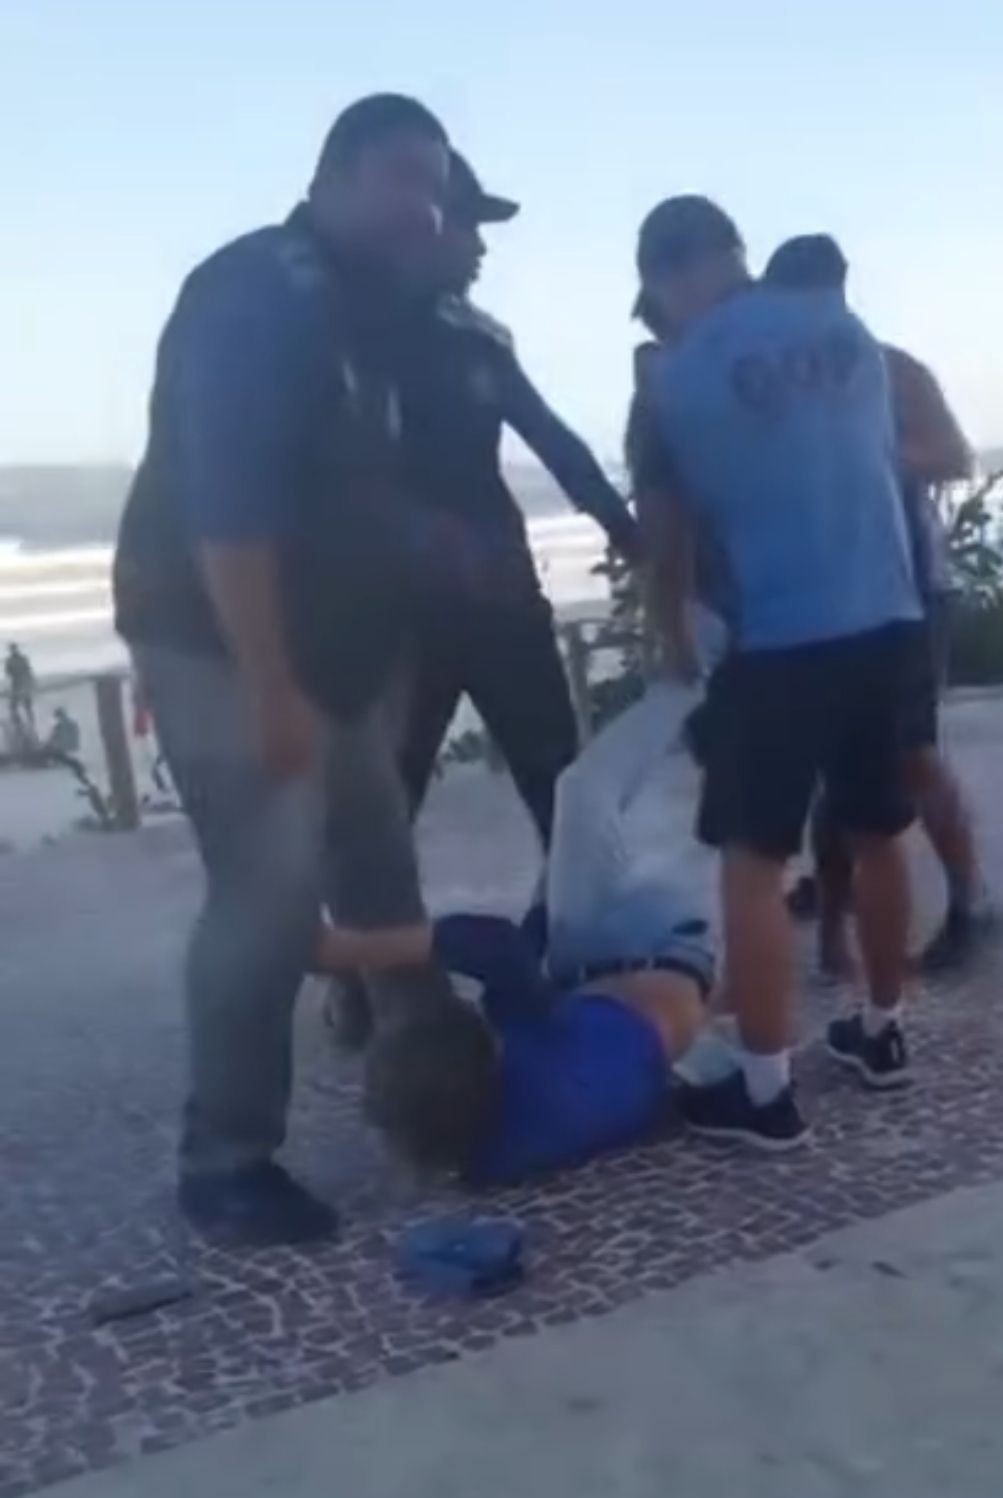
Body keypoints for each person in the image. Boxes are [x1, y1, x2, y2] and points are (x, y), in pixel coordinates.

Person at [113, 95, 494, 1246]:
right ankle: (225, 1161)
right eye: (403, 176)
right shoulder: (260, 292)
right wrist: (270, 685)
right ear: (333, 177)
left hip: (338, 655)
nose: (425, 206)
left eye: (436, 185)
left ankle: (435, 1104)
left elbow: (347, 487)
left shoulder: (361, 309)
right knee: (268, 897)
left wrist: (427, 544)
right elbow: (230, 507)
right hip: (225, 642)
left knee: (379, 861)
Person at [632, 196, 926, 1149]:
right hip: (885, 614)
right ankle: (882, 1033)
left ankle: (764, 1093)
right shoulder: (845, 330)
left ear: (670, 279)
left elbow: (667, 535)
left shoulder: (674, 378)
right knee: (878, 832)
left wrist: (671, 637)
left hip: (774, 642)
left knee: (752, 863)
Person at [321, 672, 717, 1184]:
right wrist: (351, 948)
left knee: (584, 859)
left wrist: (544, 903)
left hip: (629, 993)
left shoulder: (489, 1163)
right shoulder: (528, 1051)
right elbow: (500, 948)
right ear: (495, 1058)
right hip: (657, 946)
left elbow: (529, 957)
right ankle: (692, 682)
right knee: (582, 795)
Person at [764, 234, 998, 976]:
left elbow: (953, 456)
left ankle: (970, 902)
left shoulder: (889, 369)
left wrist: (864, 454)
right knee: (836, 758)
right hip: (825, 597)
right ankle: (834, 921)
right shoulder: (779, 383)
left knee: (912, 754)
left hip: (909, 589)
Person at [393, 150, 640, 844]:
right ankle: (370, 921)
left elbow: (555, 442)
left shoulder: (482, 339)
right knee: (384, 802)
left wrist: (630, 536)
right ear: (422, 228)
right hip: (397, 614)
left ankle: (574, 908)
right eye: (467, 227)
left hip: (500, 597)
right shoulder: (349, 333)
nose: (480, 248)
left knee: (559, 783)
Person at [5, 643, 35, 734]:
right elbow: (8, 673)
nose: (12, 651)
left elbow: (28, 670)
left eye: (13, 649)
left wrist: (30, 683)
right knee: (13, 706)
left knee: (26, 706)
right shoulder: (10, 660)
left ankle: (30, 723)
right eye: (11, 649)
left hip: (22, 684)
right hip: (16, 684)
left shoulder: (21, 659)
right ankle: (18, 723)